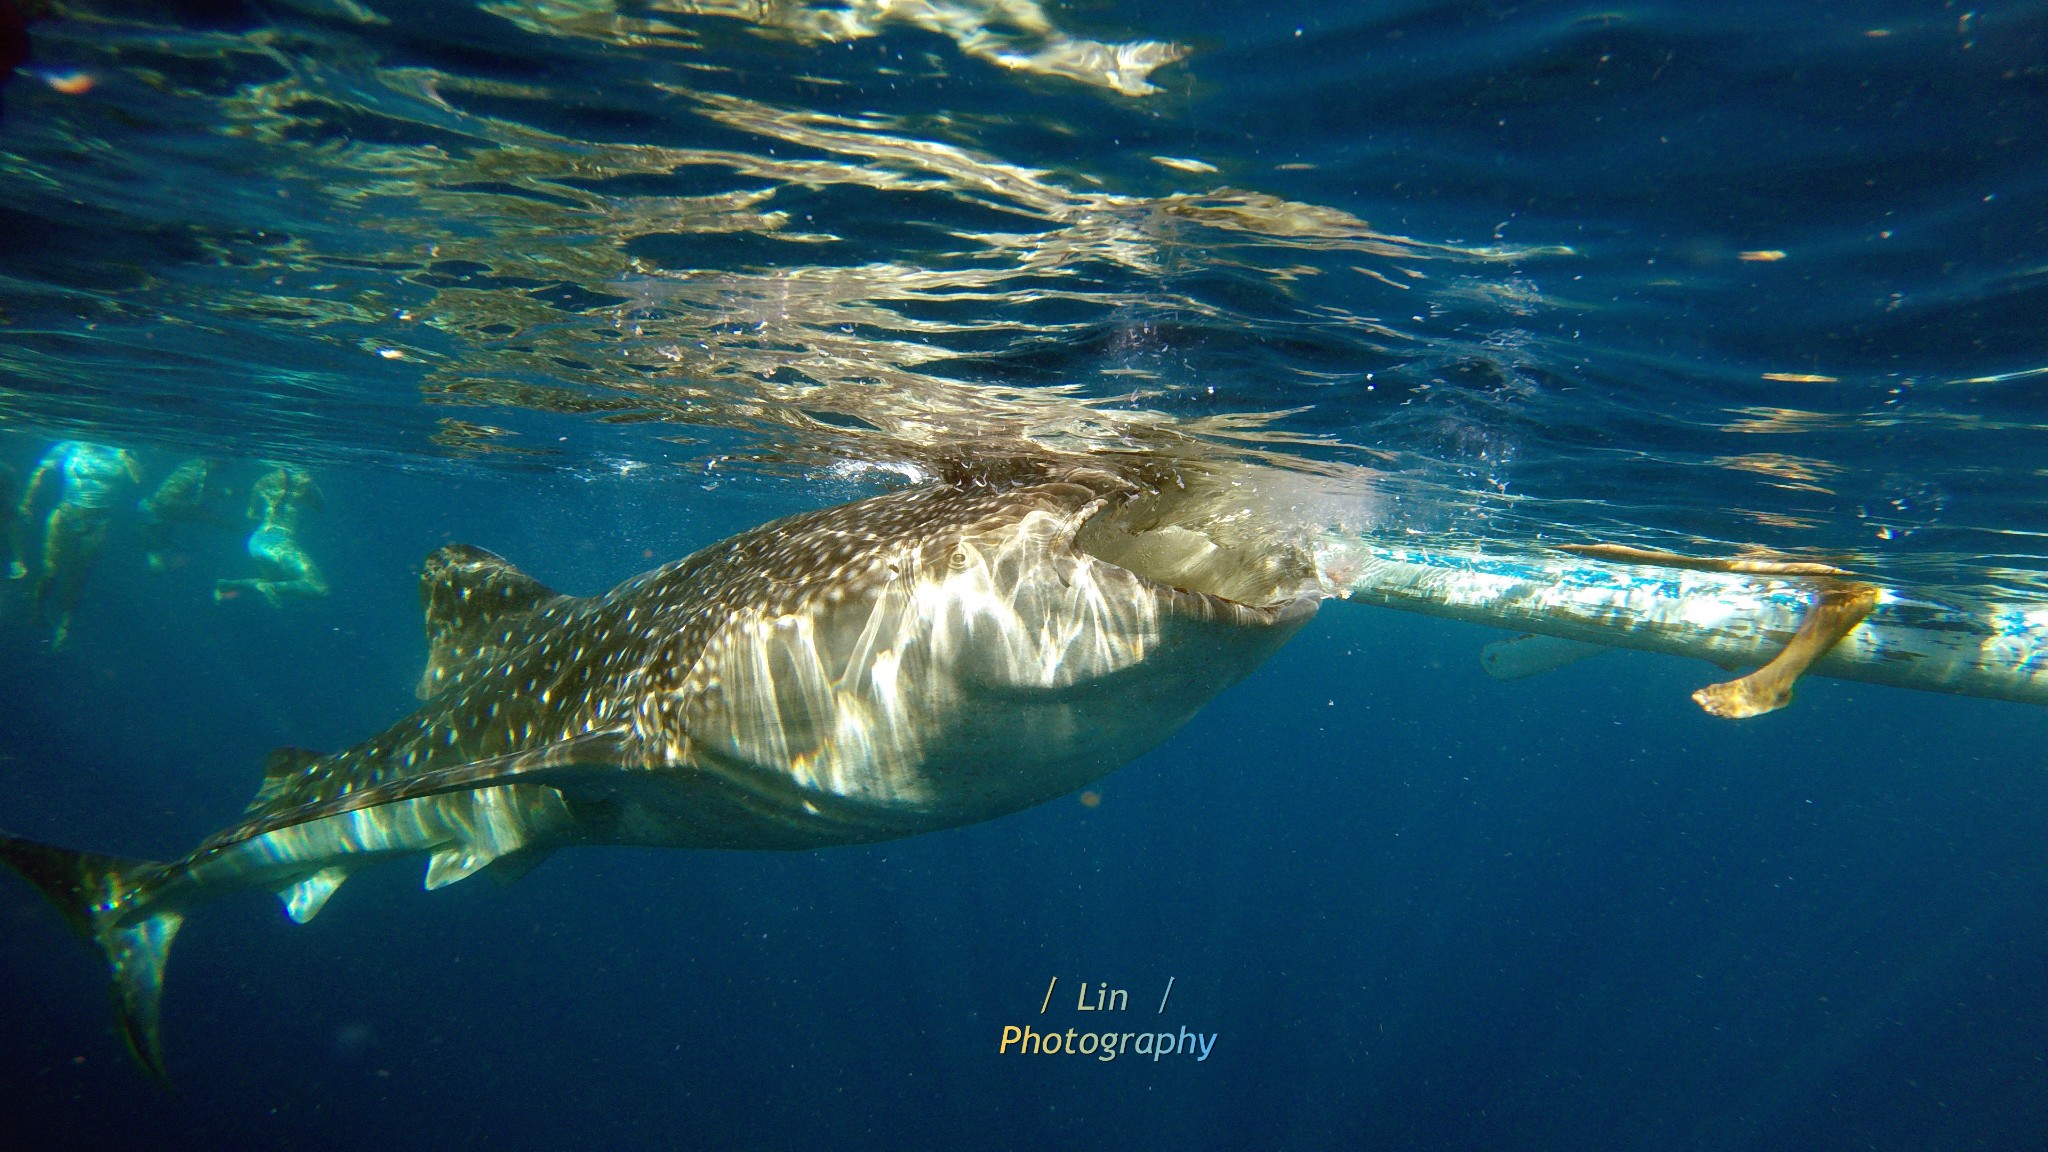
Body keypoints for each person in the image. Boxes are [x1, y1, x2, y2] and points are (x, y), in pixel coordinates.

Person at [11, 439, 143, 648]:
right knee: (51, 571)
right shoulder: (70, 446)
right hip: (65, 516)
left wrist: (129, 455)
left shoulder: (119, 450)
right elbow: (41, 472)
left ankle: (64, 626)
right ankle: (36, 606)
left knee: (78, 577)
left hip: (98, 523)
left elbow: (138, 479)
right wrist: (27, 502)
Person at [215, 464, 328, 606]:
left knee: (273, 581)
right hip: (281, 542)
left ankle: (229, 584)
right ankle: (270, 587)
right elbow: (320, 506)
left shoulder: (263, 481)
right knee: (319, 588)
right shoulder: (304, 480)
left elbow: (251, 515)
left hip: (257, 541)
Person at [137, 457, 229, 571]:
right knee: (215, 520)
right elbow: (198, 498)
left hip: (158, 503)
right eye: (223, 463)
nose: (226, 467)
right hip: (168, 505)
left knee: (157, 528)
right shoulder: (201, 471)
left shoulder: (192, 463)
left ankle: (156, 552)